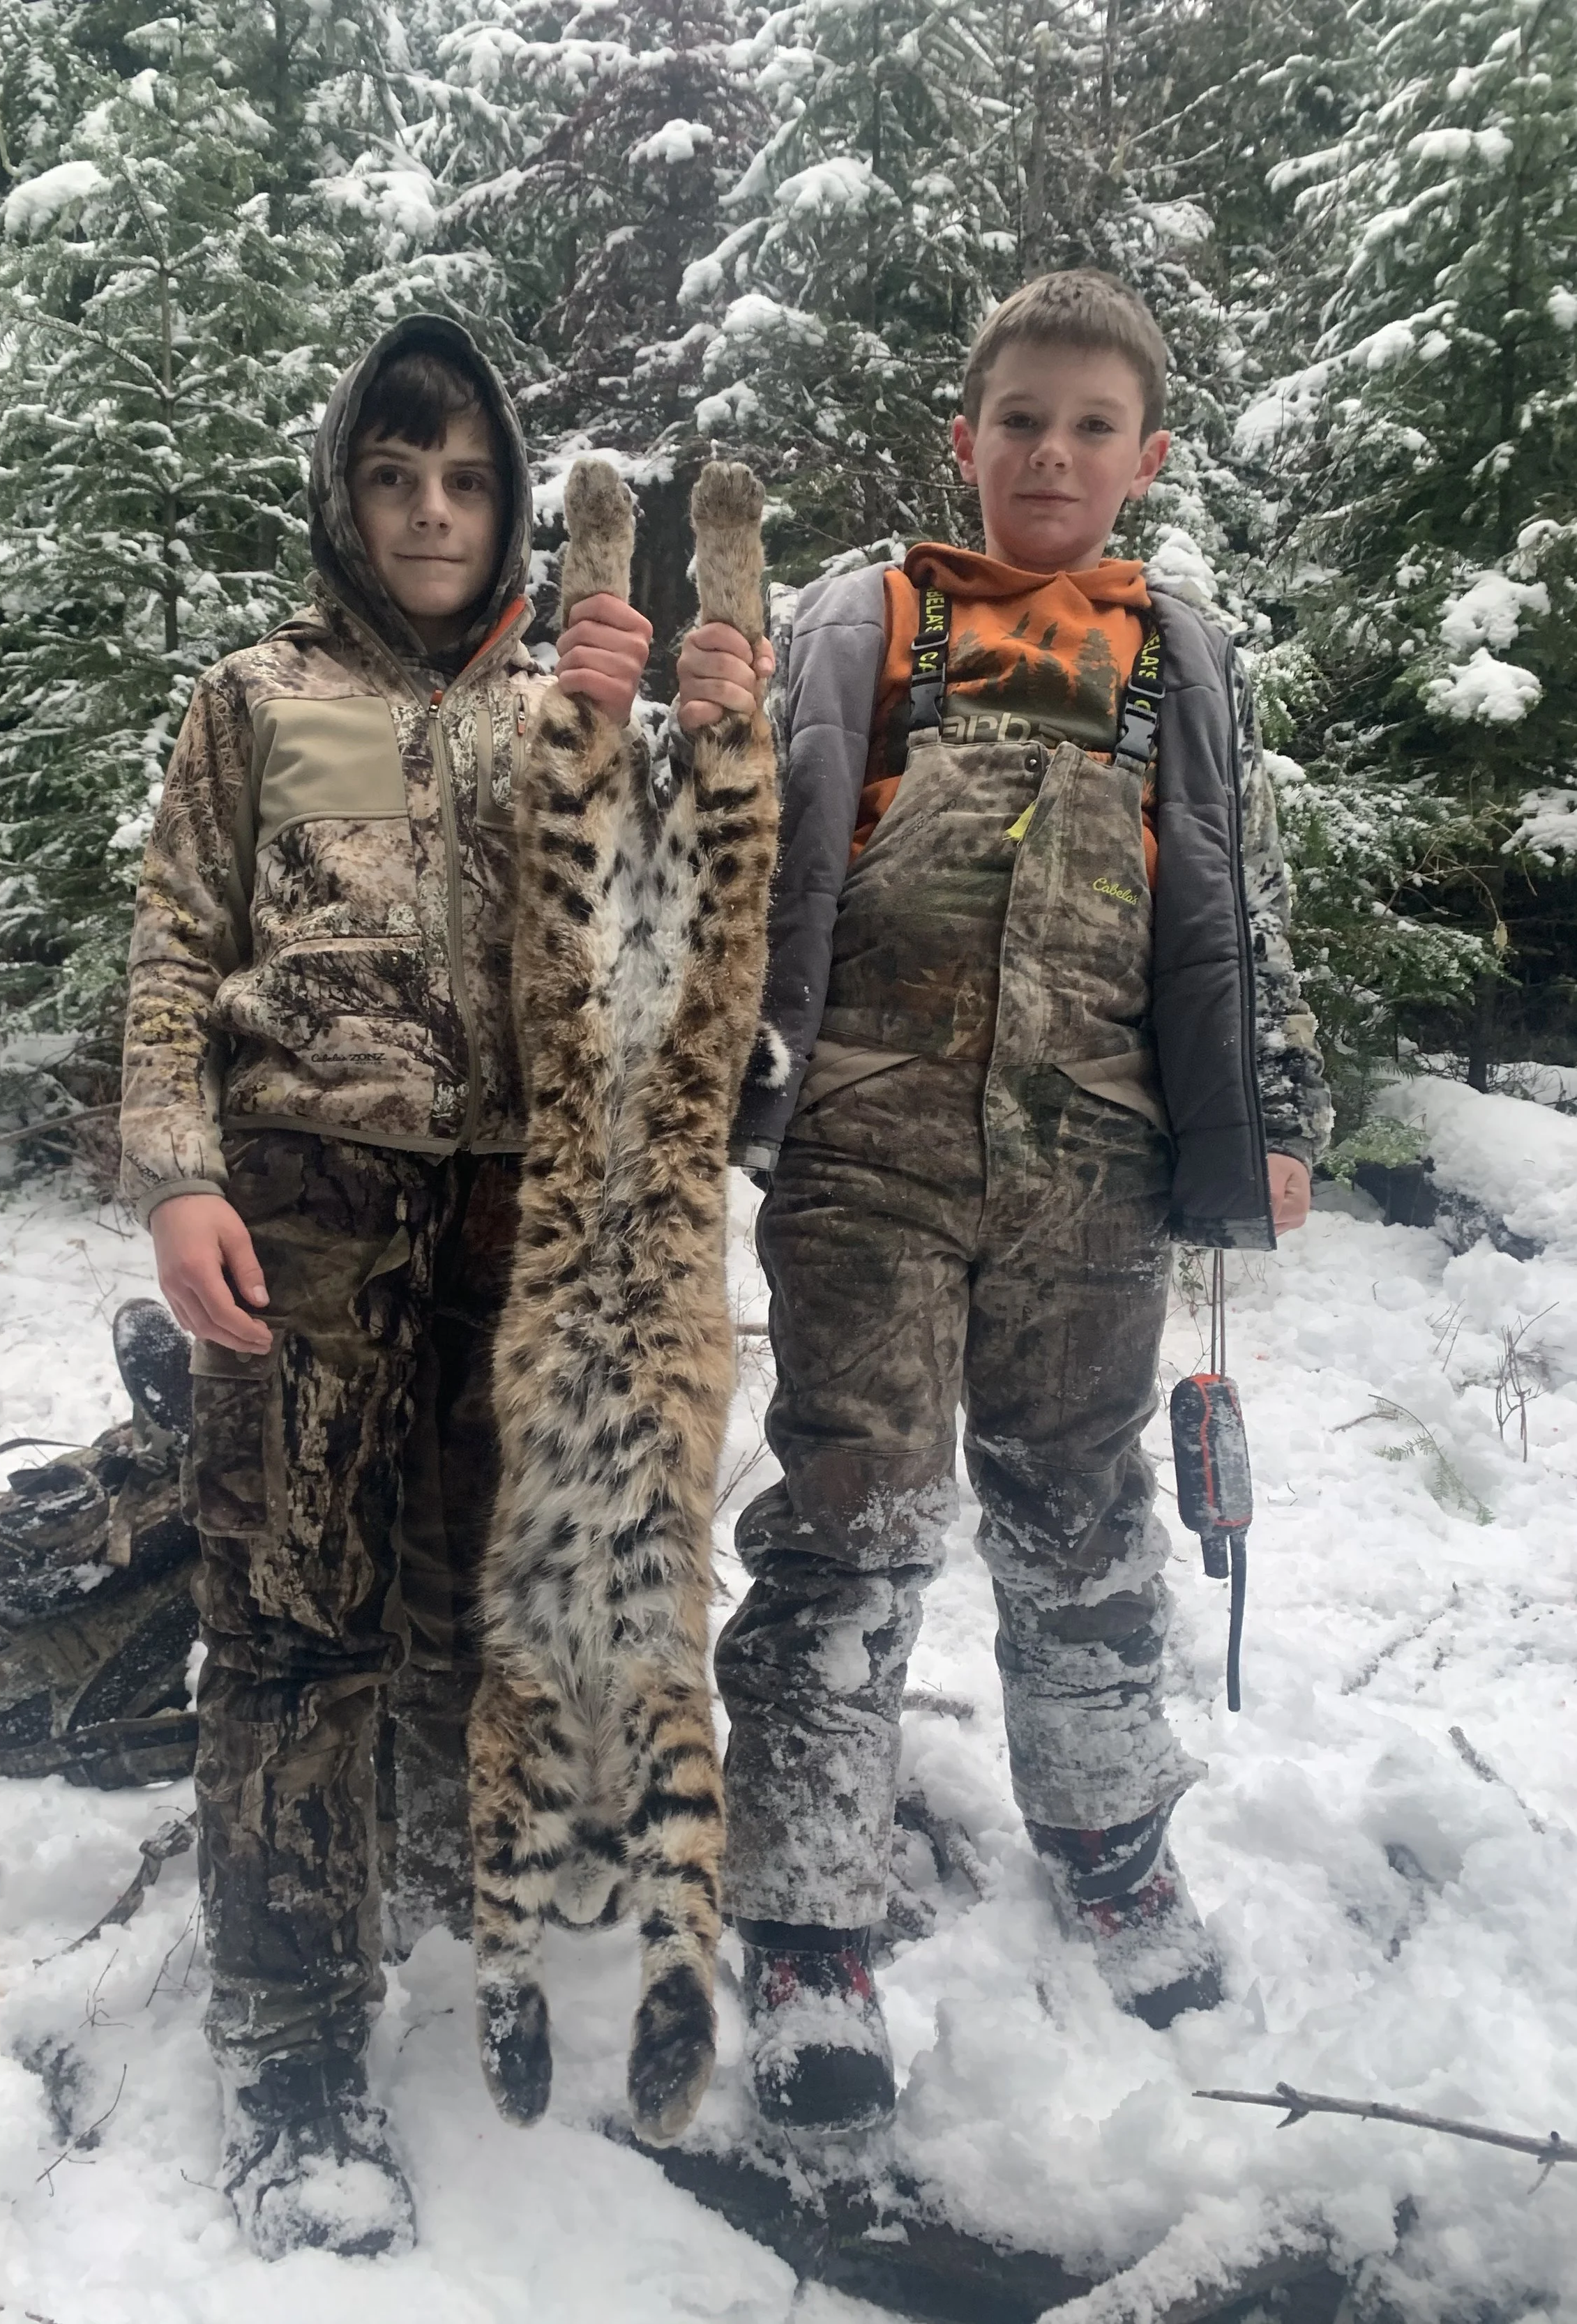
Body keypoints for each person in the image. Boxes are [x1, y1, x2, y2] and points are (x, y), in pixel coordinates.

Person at [673, 269, 1332, 2135]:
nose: (1052, 452)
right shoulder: (862, 617)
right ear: (963, 440)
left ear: (1145, 457)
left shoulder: (1181, 655)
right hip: (863, 1157)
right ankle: (809, 1919)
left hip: (1097, 1165)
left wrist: (1276, 1103)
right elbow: (739, 850)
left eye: (1090, 426)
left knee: (1079, 1511)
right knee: (853, 1517)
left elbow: (1235, 899)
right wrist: (688, 736)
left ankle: (1112, 1844)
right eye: (1021, 420)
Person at [119, 317, 651, 2258]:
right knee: (288, 1615)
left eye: (468, 481)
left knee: (491, 1598)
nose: (433, 511)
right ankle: (288, 2043)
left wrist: (623, 736)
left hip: (520, 1214)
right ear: (344, 495)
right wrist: (177, 1174)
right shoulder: (252, 696)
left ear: (509, 506)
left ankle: (456, 1889)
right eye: (395, 475)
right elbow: (174, 947)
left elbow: (650, 942)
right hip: (308, 1202)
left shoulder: (564, 696)